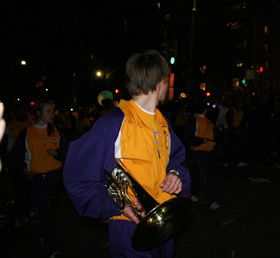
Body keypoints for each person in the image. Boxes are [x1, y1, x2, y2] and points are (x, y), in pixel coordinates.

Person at [63, 50, 191, 258]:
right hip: (130, 225)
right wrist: (118, 205)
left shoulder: (162, 121)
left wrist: (175, 173)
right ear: (162, 81)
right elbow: (78, 177)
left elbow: (177, 157)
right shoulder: (113, 123)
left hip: (164, 220)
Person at [10, 100, 69, 258]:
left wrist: (58, 154)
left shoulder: (56, 131)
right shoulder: (26, 134)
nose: (52, 114)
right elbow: (16, 156)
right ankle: (50, 248)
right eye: (48, 111)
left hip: (54, 178)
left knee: (48, 212)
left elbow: (67, 151)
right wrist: (24, 168)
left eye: (53, 111)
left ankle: (43, 234)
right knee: (45, 213)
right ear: (38, 114)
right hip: (37, 179)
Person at [184, 100, 219, 210]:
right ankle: (211, 201)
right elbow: (187, 137)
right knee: (205, 175)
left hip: (208, 150)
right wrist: (200, 141)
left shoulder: (206, 120)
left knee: (200, 174)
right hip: (199, 151)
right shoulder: (195, 120)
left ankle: (192, 193)